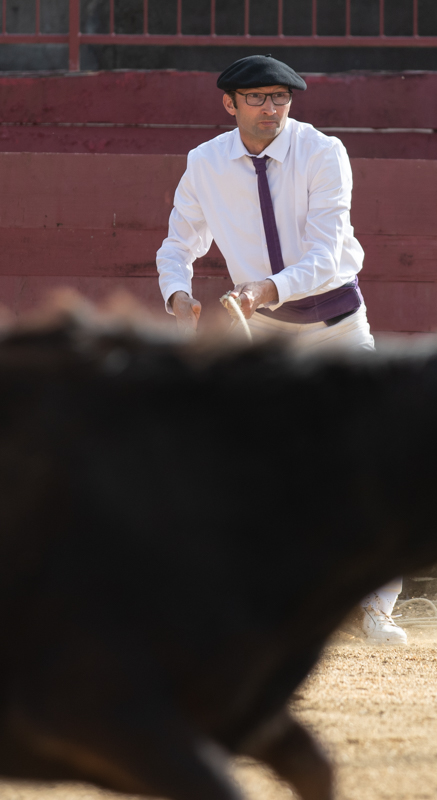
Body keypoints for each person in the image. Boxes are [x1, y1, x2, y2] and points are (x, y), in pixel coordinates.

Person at [155, 55, 407, 645]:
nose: (271, 109)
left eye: (280, 99)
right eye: (258, 99)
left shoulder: (324, 153)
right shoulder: (205, 163)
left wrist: (266, 287)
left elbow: (325, 255)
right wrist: (178, 297)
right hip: (264, 333)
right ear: (230, 104)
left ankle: (376, 607)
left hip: (337, 326)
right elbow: (177, 244)